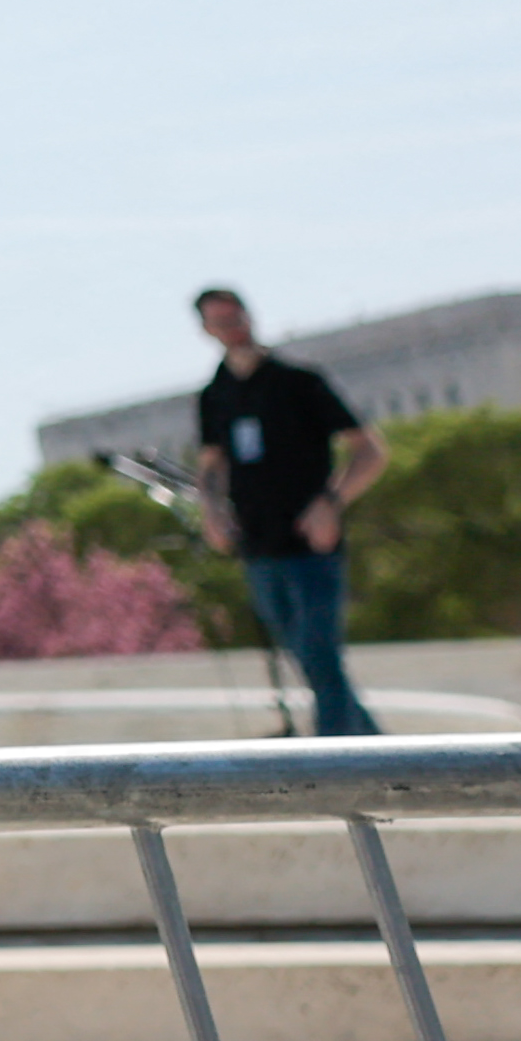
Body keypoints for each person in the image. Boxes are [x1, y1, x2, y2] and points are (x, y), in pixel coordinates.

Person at [190, 288, 386, 737]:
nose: (230, 327)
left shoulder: (298, 381)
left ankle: (340, 764)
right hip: (258, 547)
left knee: (320, 655)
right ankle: (382, 753)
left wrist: (330, 503)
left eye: (235, 316)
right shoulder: (214, 395)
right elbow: (211, 467)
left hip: (311, 547)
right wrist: (213, 513)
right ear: (205, 330)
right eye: (218, 321)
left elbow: (369, 451)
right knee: (310, 662)